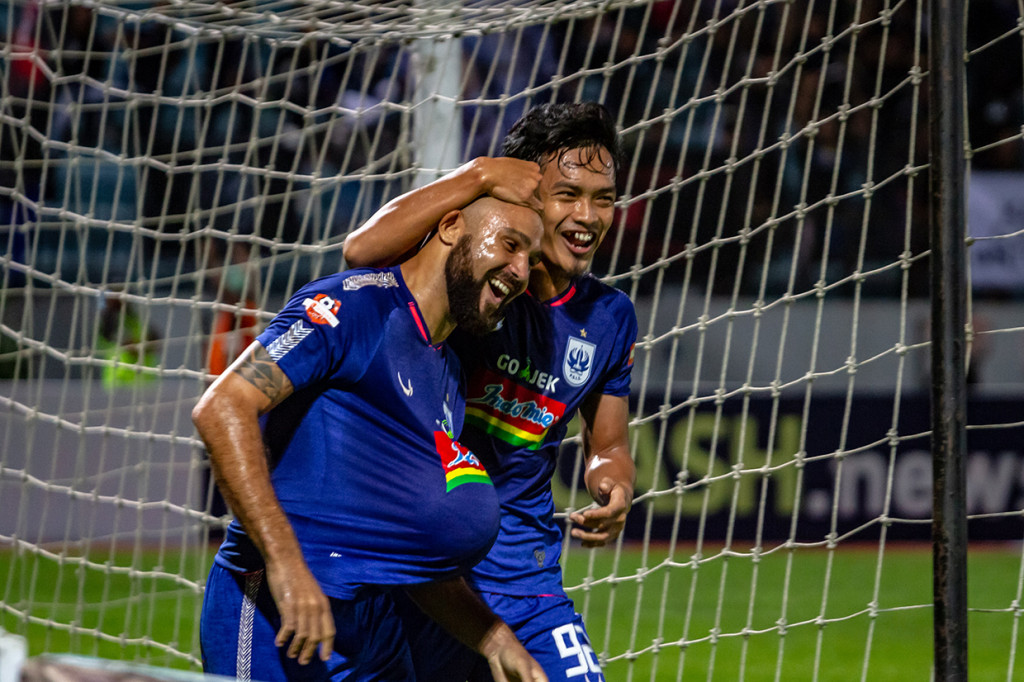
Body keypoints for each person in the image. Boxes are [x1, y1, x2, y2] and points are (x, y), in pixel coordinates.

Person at [192, 196, 548, 682]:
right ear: (449, 227)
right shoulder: (354, 306)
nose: (521, 270)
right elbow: (222, 406)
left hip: (372, 629)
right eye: (510, 244)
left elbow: (403, 547)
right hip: (279, 616)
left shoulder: (448, 373)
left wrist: (493, 637)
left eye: (532, 258)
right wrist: (286, 565)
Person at [343, 102, 637, 681]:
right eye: (568, 194)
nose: (588, 216)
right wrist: (478, 175)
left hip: (524, 585)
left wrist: (614, 482)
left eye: (602, 198)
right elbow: (360, 251)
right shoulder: (471, 281)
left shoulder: (611, 317)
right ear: (525, 193)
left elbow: (609, 442)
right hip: (422, 573)